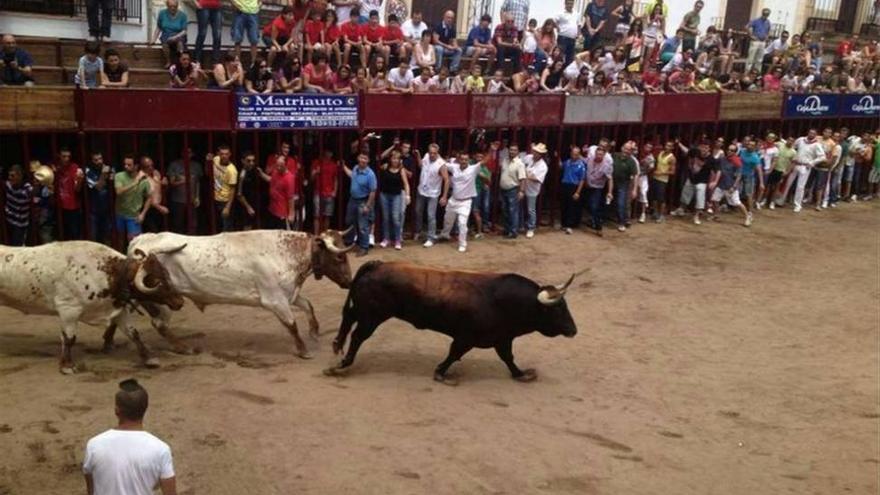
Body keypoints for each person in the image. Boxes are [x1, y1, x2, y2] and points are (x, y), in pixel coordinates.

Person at [83, 379, 176, 495]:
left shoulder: (94, 445)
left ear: (117, 411)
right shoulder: (161, 449)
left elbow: (91, 490)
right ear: (145, 410)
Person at [437, 151, 481, 253]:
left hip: (465, 202)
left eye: (466, 159)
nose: (464, 161)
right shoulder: (454, 167)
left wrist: (492, 150)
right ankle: (445, 234)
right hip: (453, 200)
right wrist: (436, 153)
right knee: (448, 219)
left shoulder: (473, 168)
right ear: (459, 159)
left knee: (462, 223)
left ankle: (462, 244)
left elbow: (483, 162)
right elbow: (443, 162)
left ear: (468, 160)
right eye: (462, 159)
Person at [779, 129, 827, 213]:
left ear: (815, 135)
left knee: (800, 187)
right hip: (796, 164)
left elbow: (822, 157)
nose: (811, 134)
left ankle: (797, 205)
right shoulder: (801, 140)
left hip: (805, 167)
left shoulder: (816, 144)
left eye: (813, 133)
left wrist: (812, 162)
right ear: (808, 133)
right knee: (788, 183)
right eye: (810, 132)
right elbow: (793, 147)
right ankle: (781, 200)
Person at [342, 152, 377, 257]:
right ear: (358, 158)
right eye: (361, 158)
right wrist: (343, 166)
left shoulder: (370, 174)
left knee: (363, 226)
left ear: (368, 161)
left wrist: (367, 206)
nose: (363, 160)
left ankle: (364, 247)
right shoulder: (356, 168)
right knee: (349, 221)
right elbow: (351, 175)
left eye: (365, 158)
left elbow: (373, 192)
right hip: (353, 200)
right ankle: (349, 242)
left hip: (363, 201)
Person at [114, 155, 152, 249]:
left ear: (136, 166)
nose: (126, 166)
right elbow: (118, 191)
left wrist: (143, 214)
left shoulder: (144, 180)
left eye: (129, 165)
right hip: (120, 213)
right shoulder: (119, 176)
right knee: (120, 239)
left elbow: (149, 197)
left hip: (134, 215)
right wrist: (135, 182)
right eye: (125, 164)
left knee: (134, 242)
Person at [414, 143, 449, 247]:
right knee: (418, 211)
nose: (432, 155)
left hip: (433, 194)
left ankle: (431, 237)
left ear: (437, 153)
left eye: (434, 153)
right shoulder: (426, 156)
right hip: (421, 190)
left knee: (431, 216)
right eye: (430, 153)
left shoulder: (441, 164)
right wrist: (418, 156)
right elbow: (421, 166)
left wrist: (444, 196)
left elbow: (447, 180)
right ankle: (418, 231)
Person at [711, 145, 753, 227]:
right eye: (728, 149)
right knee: (715, 199)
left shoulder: (737, 161)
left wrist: (734, 187)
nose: (729, 151)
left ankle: (747, 217)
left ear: (735, 152)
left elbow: (739, 176)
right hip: (721, 184)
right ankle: (716, 215)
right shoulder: (723, 159)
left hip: (730, 186)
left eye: (732, 150)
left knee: (737, 203)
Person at [378, 150, 410, 249]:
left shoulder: (402, 170)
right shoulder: (385, 166)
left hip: (396, 195)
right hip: (384, 195)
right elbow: (378, 159)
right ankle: (386, 238)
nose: (395, 160)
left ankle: (397, 240)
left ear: (400, 160)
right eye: (393, 158)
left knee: (396, 218)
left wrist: (408, 195)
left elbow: (406, 184)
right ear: (390, 159)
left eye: (397, 158)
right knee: (386, 218)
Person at [167, 149, 202, 234]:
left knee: (193, 224)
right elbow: (171, 183)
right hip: (178, 200)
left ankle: (193, 241)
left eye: (189, 152)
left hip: (192, 200)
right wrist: (183, 181)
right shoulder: (174, 165)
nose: (187, 154)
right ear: (182, 153)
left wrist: (197, 197)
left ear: (192, 154)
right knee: (178, 224)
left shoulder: (196, 166)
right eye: (185, 152)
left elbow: (198, 182)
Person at [261, 155, 297, 230]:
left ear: (286, 165)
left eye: (281, 166)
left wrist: (291, 214)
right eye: (277, 165)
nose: (278, 168)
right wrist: (261, 174)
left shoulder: (289, 178)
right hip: (272, 209)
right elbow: (271, 180)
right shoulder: (276, 172)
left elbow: (290, 198)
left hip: (282, 212)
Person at [498, 144, 526, 239]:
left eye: (514, 150)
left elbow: (522, 178)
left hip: (513, 190)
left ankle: (513, 231)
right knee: (505, 210)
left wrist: (521, 191)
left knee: (512, 211)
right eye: (511, 150)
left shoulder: (520, 163)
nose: (512, 152)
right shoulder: (505, 161)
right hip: (503, 189)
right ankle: (507, 229)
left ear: (518, 152)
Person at [55, 147, 84, 240]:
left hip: (73, 206)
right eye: (64, 156)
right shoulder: (55, 167)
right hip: (59, 205)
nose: (66, 159)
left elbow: (77, 189)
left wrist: (79, 180)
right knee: (61, 234)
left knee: (74, 234)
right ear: (59, 156)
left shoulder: (74, 167)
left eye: (68, 156)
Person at [585, 145, 613, 236]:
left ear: (604, 155)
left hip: (597, 187)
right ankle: (593, 221)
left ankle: (598, 226)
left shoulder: (606, 165)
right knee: (588, 205)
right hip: (587, 185)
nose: (598, 156)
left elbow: (610, 179)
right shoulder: (590, 159)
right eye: (597, 154)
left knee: (594, 207)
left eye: (601, 154)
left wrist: (609, 192)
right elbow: (583, 160)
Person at [85, 151, 113, 245]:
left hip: (107, 209)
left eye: (100, 159)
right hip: (94, 211)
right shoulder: (88, 171)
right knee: (94, 237)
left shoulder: (110, 169)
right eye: (96, 160)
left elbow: (114, 182)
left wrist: (110, 176)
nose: (99, 161)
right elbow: (99, 187)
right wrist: (103, 174)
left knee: (108, 236)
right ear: (92, 161)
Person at [611, 142, 639, 232]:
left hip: (623, 183)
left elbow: (635, 175)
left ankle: (621, 222)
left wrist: (634, 189)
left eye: (629, 149)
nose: (626, 151)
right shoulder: (614, 155)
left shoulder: (631, 161)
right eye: (625, 148)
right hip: (611, 181)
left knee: (621, 203)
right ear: (622, 148)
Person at [151, 0, 188, 67]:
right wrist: (153, 39)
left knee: (180, 43)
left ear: (177, 6)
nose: (173, 8)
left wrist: (175, 37)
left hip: (179, 34)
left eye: (175, 6)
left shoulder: (183, 15)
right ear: (167, 6)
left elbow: (184, 31)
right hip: (166, 34)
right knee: (165, 41)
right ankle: (168, 61)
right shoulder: (162, 13)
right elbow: (159, 27)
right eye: (170, 6)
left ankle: (180, 61)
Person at [522, 143, 548, 238]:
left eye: (538, 152)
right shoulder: (528, 157)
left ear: (541, 154)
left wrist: (524, 174)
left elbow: (537, 178)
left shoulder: (543, 166)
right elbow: (521, 165)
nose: (535, 153)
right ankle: (522, 225)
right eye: (535, 151)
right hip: (522, 187)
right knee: (522, 207)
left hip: (532, 190)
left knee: (531, 209)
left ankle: (531, 228)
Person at [559, 145, 586, 234]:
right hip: (565, 185)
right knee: (564, 205)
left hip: (574, 186)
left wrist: (578, 192)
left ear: (579, 155)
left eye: (576, 154)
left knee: (572, 206)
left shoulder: (581, 165)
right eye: (573, 153)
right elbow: (561, 166)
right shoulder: (567, 162)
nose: (574, 155)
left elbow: (582, 180)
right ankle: (563, 224)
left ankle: (569, 225)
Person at [311, 149, 339, 233]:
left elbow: (335, 179)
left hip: (329, 193)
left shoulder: (333, 165)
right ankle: (316, 235)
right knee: (316, 215)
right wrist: (316, 172)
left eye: (330, 152)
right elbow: (311, 178)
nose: (329, 154)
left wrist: (335, 191)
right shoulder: (316, 162)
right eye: (328, 152)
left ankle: (324, 234)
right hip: (318, 192)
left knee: (327, 216)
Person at [211, 145, 238, 232]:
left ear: (230, 154)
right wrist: (207, 162)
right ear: (218, 154)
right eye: (222, 154)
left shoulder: (232, 170)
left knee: (226, 228)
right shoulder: (216, 159)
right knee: (216, 225)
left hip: (225, 201)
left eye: (226, 154)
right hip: (214, 198)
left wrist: (227, 207)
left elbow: (233, 189)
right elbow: (208, 172)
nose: (224, 156)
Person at [4, 165, 32, 247]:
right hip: (8, 220)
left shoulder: (26, 187)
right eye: (9, 175)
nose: (9, 178)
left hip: (20, 225)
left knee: (17, 248)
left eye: (12, 175)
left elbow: (32, 192)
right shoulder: (8, 185)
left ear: (20, 176)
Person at [139, 157, 168, 234]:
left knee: (161, 233)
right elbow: (147, 197)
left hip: (159, 206)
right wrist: (160, 208)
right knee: (152, 233)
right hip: (148, 209)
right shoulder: (141, 178)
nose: (151, 168)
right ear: (142, 167)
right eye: (147, 166)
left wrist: (163, 184)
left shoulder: (156, 173)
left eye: (152, 165)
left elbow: (158, 188)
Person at [765, 136, 795, 210]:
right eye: (789, 140)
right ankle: (765, 199)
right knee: (768, 185)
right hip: (773, 168)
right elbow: (770, 144)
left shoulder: (793, 152)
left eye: (792, 141)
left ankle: (772, 202)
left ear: (793, 142)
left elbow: (792, 163)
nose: (790, 142)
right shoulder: (779, 144)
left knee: (776, 187)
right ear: (786, 140)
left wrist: (787, 171)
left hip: (781, 170)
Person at [651, 141, 676, 222]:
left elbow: (672, 171)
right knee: (654, 197)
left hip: (663, 179)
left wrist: (661, 172)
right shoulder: (660, 153)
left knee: (661, 198)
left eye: (669, 146)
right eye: (666, 145)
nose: (667, 147)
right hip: (655, 177)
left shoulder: (672, 158)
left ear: (672, 148)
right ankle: (655, 212)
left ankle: (661, 215)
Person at [194, 0, 222, 65]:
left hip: (216, 8)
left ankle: (216, 61)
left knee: (217, 35)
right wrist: (195, 3)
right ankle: (197, 60)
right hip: (203, 6)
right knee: (202, 34)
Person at [746, 8, 772, 73]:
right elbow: (747, 27)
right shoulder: (756, 20)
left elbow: (769, 30)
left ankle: (757, 73)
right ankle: (747, 72)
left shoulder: (768, 22)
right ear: (762, 13)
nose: (766, 15)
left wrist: (767, 37)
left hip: (762, 42)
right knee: (751, 58)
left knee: (759, 59)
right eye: (765, 14)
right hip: (756, 41)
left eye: (767, 14)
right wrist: (751, 36)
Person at [556, 0, 579, 65]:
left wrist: (578, 34)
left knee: (569, 57)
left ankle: (565, 72)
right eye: (568, 4)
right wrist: (557, 27)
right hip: (563, 38)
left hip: (572, 39)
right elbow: (554, 21)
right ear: (565, 4)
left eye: (571, 4)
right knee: (560, 56)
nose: (570, 5)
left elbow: (578, 25)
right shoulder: (560, 13)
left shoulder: (576, 13)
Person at [636, 143, 654, 223]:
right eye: (647, 146)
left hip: (642, 176)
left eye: (650, 147)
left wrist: (647, 167)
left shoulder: (650, 158)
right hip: (633, 176)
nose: (648, 148)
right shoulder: (638, 152)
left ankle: (643, 214)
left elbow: (650, 168)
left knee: (643, 193)